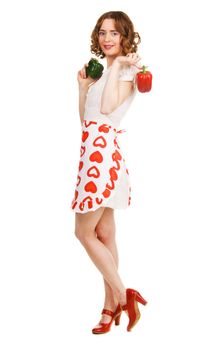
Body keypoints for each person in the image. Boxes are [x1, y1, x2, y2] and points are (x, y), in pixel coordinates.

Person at [70, 11, 148, 334]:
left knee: (83, 233)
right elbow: (87, 119)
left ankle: (122, 292)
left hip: (102, 160)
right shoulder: (101, 71)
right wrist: (83, 87)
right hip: (93, 152)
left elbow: (106, 110)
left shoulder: (127, 70)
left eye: (114, 33)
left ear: (124, 36)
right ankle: (109, 306)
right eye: (103, 32)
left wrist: (117, 66)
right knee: (104, 234)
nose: (107, 38)